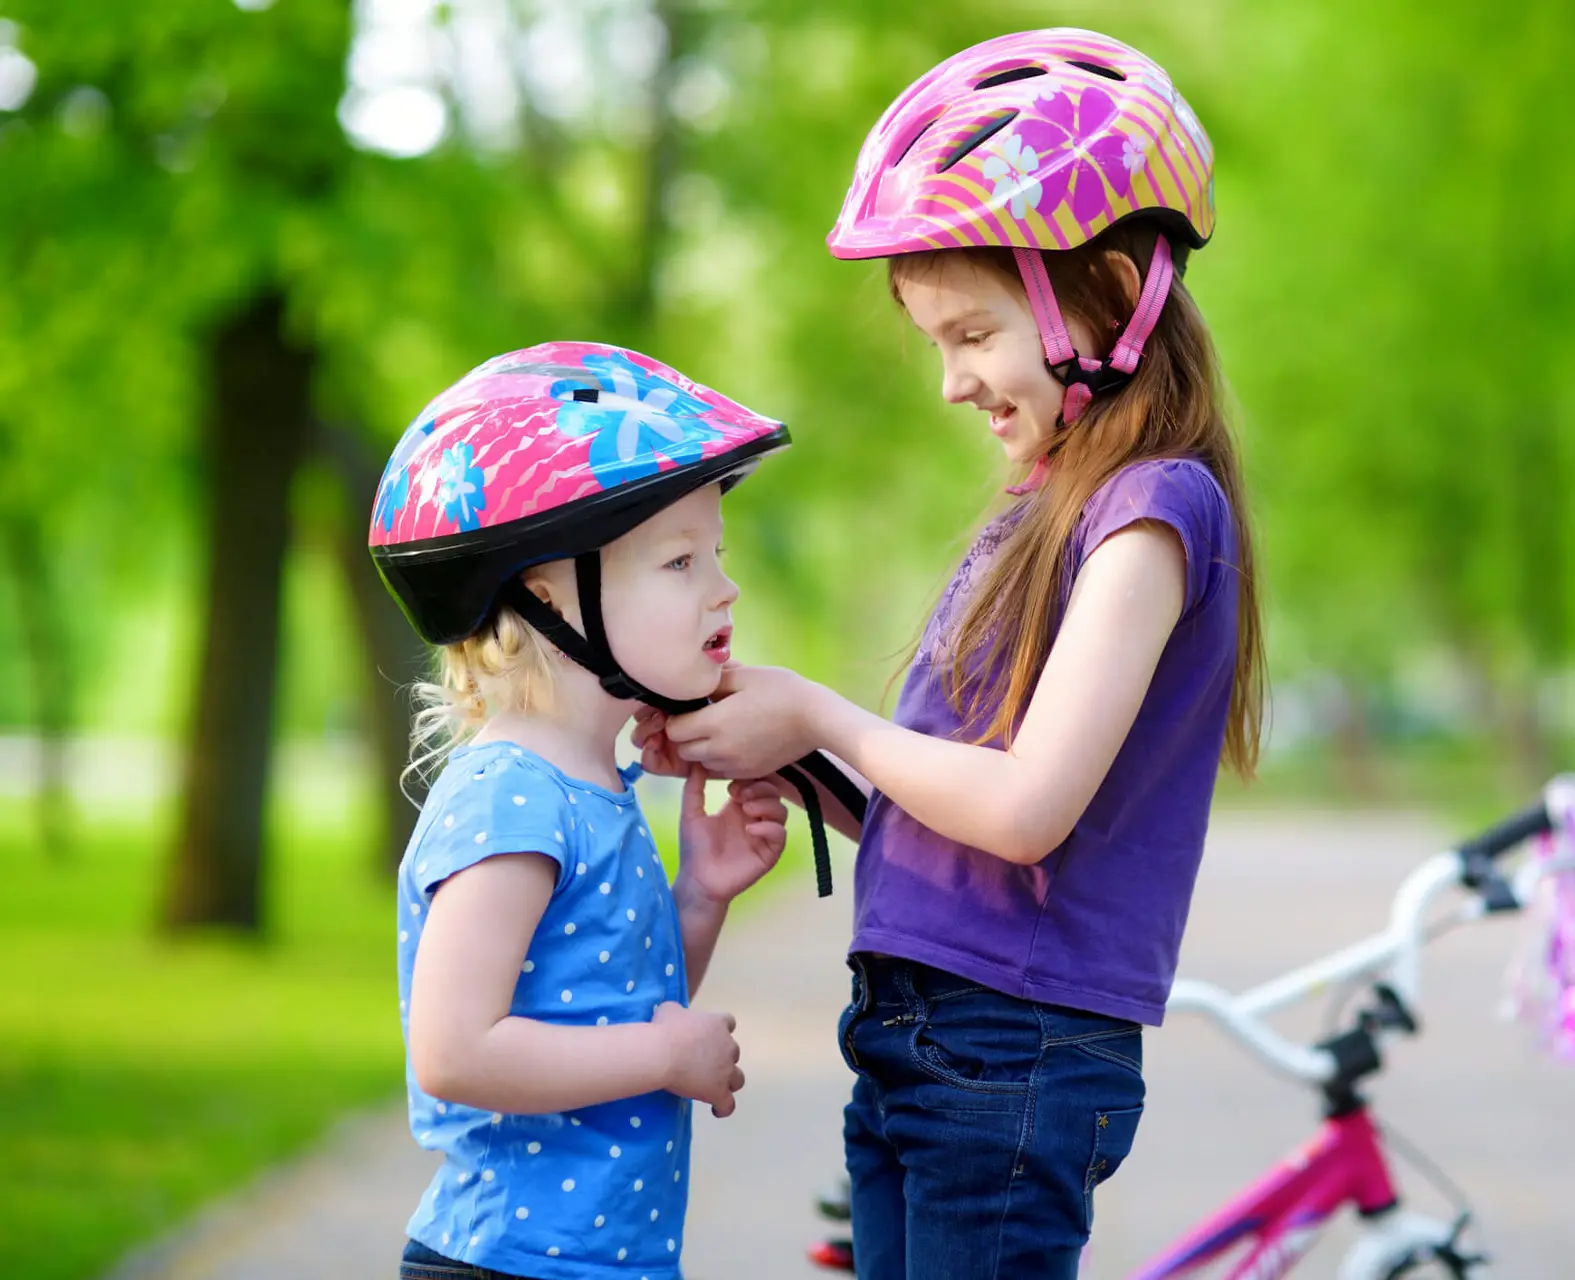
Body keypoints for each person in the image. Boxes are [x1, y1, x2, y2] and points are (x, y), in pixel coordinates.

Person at [648, 29, 1267, 1279]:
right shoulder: (1047, 507)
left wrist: (824, 716)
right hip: (927, 1033)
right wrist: (778, 743)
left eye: (973, 333)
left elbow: (1030, 809)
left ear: (1100, 292)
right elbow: (966, 798)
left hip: (1007, 1051)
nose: (950, 381)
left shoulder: (1149, 513)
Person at [367, 340, 795, 1280]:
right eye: (680, 561)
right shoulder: (511, 797)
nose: (723, 587)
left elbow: (598, 999)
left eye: (713, 555)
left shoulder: (591, 785)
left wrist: (700, 901)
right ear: (547, 596)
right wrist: (662, 1053)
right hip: (510, 1263)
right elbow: (455, 1050)